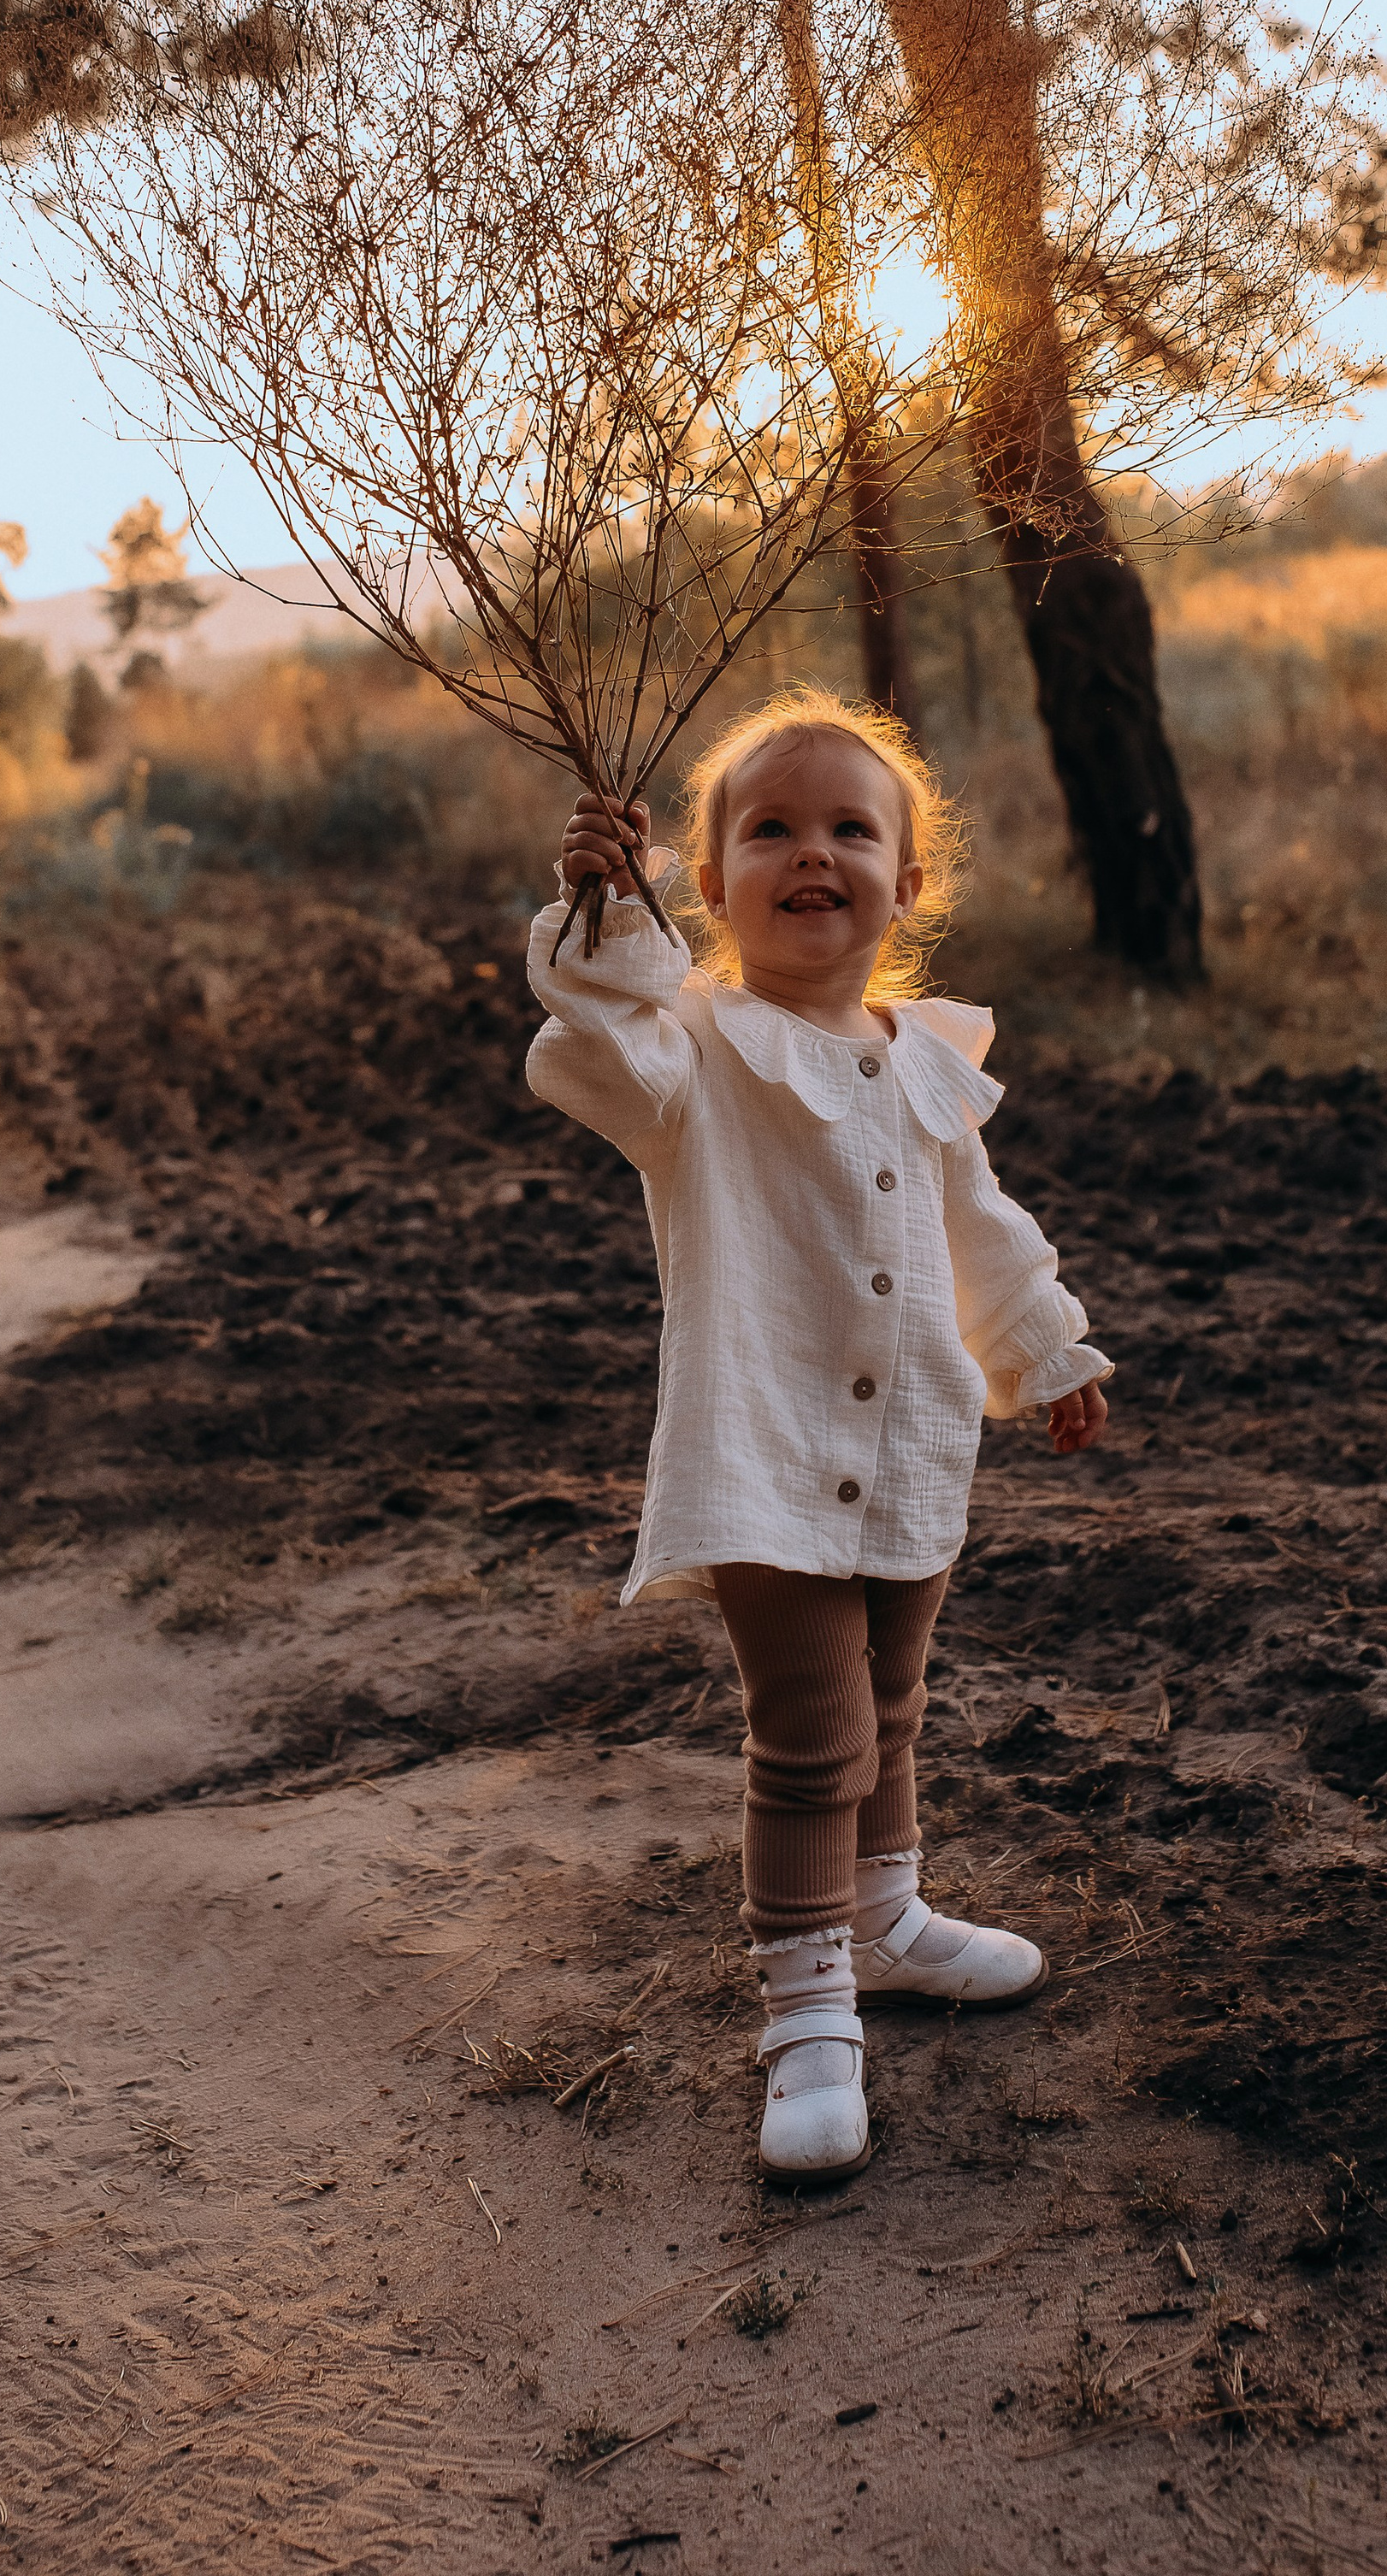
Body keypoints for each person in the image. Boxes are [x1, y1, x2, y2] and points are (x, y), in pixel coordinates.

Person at [526, 686, 1113, 2186]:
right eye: (768, 829)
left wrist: (1041, 1350)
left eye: (852, 829)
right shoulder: (694, 1057)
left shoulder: (923, 1057)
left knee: (895, 1706)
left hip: (914, 1439)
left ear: (908, 880)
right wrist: (603, 907)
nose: (812, 853)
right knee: (812, 1738)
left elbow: (977, 1227)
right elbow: (600, 1048)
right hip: (763, 1455)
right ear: (710, 883)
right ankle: (807, 2020)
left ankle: (888, 1922)